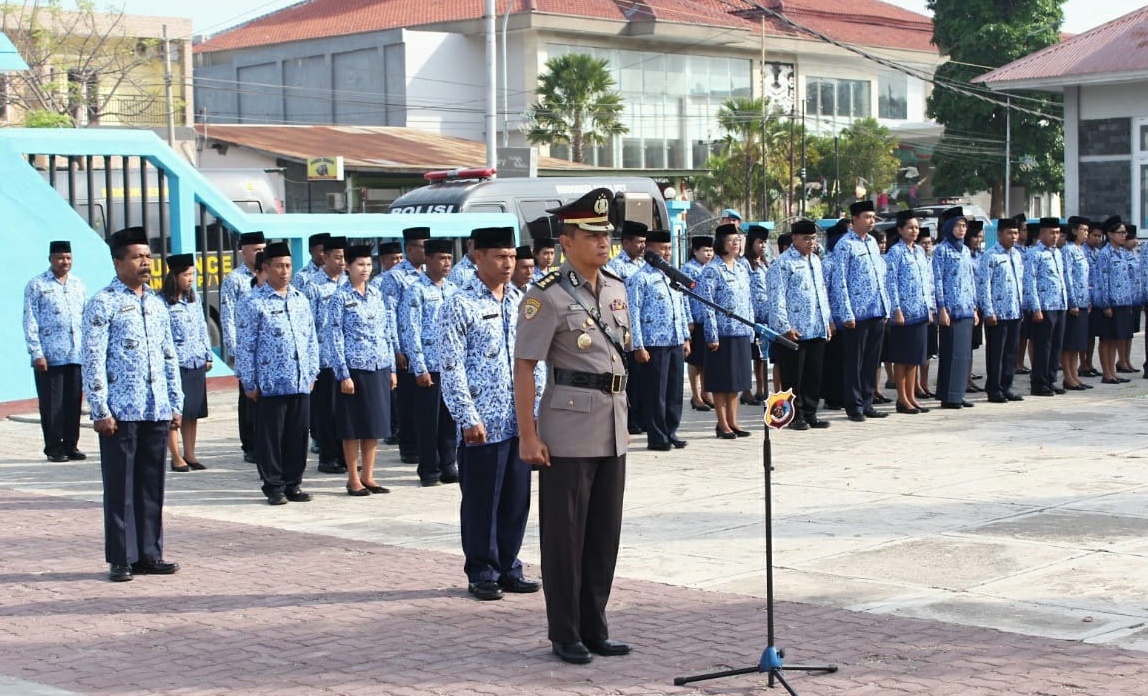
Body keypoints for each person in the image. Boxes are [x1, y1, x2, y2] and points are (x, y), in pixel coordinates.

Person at [514, 187, 632, 665]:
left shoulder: (618, 288)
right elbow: (525, 366)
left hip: (612, 424)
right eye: (591, 234)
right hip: (566, 427)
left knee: (604, 535)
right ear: (567, 241)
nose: (603, 242)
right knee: (565, 537)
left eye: (606, 233)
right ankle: (565, 632)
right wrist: (528, 434)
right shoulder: (546, 295)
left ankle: (594, 626)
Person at [441, 226, 542, 601]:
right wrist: (467, 416)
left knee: (517, 498)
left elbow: (536, 359)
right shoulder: (459, 303)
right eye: (500, 256)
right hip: (482, 421)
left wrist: (536, 409)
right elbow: (450, 367)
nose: (508, 264)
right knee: (483, 499)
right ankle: (482, 570)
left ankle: (509, 565)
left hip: (518, 420)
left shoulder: (522, 302)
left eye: (512, 257)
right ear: (476, 255)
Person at [82, 227, 183, 582]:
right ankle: (121, 557)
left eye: (148, 256)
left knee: (151, 484)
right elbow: (92, 359)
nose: (146, 262)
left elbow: (169, 355)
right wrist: (100, 408)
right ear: (118, 261)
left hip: (155, 408)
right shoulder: (103, 302)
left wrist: (175, 402)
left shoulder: (156, 304)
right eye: (138, 257)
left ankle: (149, 554)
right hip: (120, 412)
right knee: (120, 487)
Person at [235, 242, 320, 505]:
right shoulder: (252, 302)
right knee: (271, 438)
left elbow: (310, 338)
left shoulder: (299, 299)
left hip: (299, 380)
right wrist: (248, 380)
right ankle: (273, 485)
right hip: (270, 382)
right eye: (278, 266)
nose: (284, 271)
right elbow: (246, 344)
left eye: (287, 266)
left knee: (297, 435)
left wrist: (312, 372)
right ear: (266, 268)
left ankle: (293, 483)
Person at [325, 244, 397, 496]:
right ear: (347, 267)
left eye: (368, 264)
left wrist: (391, 369)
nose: (365, 269)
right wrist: (343, 373)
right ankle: (353, 478)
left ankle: (369, 476)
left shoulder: (377, 294)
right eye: (360, 265)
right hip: (354, 369)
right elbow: (334, 337)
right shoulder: (340, 297)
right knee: (353, 426)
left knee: (374, 424)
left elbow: (387, 333)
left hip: (378, 365)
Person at [400, 238, 460, 486]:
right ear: (428, 260)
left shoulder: (453, 289)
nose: (446, 263)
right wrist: (419, 367)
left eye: (449, 258)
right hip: (428, 367)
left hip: (450, 366)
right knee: (428, 422)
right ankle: (429, 469)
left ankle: (448, 465)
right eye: (441, 258)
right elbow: (410, 330)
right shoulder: (416, 290)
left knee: (449, 420)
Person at [626, 229, 691, 450]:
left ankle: (671, 431)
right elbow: (632, 313)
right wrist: (638, 345)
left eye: (669, 248)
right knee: (656, 393)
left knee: (674, 391)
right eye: (662, 248)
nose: (667, 252)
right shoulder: (639, 278)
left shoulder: (672, 276)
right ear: (649, 250)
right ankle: (657, 436)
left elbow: (681, 307)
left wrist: (685, 337)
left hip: (674, 340)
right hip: (653, 344)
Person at [24, 240, 87, 463]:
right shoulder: (37, 285)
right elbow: (30, 320)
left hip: (76, 353)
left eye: (69, 258)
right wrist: (36, 353)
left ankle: (71, 445)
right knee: (52, 404)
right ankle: (53, 447)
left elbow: (85, 318)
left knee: (73, 401)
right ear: (51, 259)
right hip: (49, 356)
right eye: (60, 258)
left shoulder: (78, 284)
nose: (65, 262)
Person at [827, 201, 891, 422]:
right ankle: (853, 406)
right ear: (854, 219)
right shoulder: (845, 245)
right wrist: (846, 313)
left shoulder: (873, 242)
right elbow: (840, 281)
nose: (871, 221)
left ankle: (867, 401)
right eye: (867, 217)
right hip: (856, 313)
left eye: (873, 217)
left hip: (876, 310)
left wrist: (886, 307)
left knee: (872, 361)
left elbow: (881, 277)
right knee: (854, 362)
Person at [767, 219, 833, 429]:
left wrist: (827, 321)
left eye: (813, 238)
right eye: (806, 239)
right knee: (793, 375)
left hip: (816, 326)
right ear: (794, 238)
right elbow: (776, 298)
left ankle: (810, 412)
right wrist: (784, 327)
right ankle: (793, 415)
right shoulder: (783, 263)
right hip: (794, 329)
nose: (811, 242)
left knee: (814, 373)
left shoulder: (815, 260)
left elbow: (822, 293)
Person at [373, 226, 429, 464]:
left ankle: (427, 445)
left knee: (428, 403)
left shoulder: (428, 274)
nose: (427, 251)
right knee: (408, 401)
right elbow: (389, 313)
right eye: (422, 246)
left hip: (430, 350)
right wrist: (396, 347)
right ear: (410, 249)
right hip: (406, 349)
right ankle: (409, 446)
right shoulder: (394, 276)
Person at [700, 223, 755, 438]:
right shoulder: (713, 270)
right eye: (731, 240)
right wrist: (711, 334)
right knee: (721, 381)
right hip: (722, 334)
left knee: (736, 381)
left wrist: (750, 328)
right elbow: (707, 304)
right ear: (721, 243)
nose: (735, 243)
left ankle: (734, 421)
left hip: (741, 330)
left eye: (738, 240)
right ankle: (721, 423)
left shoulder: (742, 267)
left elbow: (747, 300)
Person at [162, 254, 212, 472]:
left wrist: (207, 354)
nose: (190, 279)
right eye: (186, 274)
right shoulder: (162, 302)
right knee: (175, 412)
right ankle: (175, 456)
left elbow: (202, 327)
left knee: (192, 412)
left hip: (196, 361)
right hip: (176, 364)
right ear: (174, 276)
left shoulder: (194, 299)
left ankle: (190, 453)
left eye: (192, 274)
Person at [220, 231, 266, 463]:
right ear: (243, 252)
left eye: (262, 248)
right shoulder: (234, 279)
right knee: (247, 398)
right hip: (246, 348)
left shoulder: (268, 274)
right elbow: (227, 315)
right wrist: (235, 350)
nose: (260, 253)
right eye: (256, 249)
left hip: (267, 349)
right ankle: (250, 444)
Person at [303, 235, 348, 474]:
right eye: (337, 257)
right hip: (324, 358)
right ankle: (328, 456)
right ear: (326, 257)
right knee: (326, 411)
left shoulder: (348, 284)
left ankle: (345, 456)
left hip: (346, 359)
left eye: (344, 258)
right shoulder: (313, 285)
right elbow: (308, 325)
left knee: (345, 411)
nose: (342, 262)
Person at [884, 211, 933, 414]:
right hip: (904, 313)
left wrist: (929, 307)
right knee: (902, 357)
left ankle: (912, 395)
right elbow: (891, 282)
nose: (914, 231)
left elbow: (927, 281)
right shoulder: (895, 253)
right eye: (910, 228)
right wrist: (896, 309)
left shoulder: (920, 252)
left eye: (916, 227)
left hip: (920, 310)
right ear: (900, 230)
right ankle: (902, 398)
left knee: (915, 357)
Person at [932, 207, 979, 409]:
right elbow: (938, 280)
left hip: (966, 308)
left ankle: (958, 393)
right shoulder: (942, 250)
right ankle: (948, 395)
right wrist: (941, 308)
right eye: (958, 226)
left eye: (964, 226)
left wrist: (975, 307)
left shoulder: (966, 250)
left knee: (963, 354)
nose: (961, 230)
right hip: (950, 309)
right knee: (950, 353)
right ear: (949, 227)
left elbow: (970, 279)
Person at [977, 218, 1026, 403]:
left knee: (1011, 352)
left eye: (1016, 233)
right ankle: (994, 388)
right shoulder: (991, 256)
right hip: (997, 313)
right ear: (999, 234)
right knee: (996, 353)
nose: (1014, 237)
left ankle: (1007, 386)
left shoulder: (1016, 255)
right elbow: (984, 285)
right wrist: (988, 311)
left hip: (1014, 311)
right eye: (1009, 233)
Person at [607, 220, 648, 435]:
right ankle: (629, 420)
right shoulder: (615, 266)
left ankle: (642, 417)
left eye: (644, 242)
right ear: (625, 243)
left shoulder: (644, 265)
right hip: (622, 329)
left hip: (642, 329)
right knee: (628, 378)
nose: (642, 246)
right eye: (638, 242)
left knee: (642, 379)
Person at [1024, 217, 1069, 396]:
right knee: (1044, 345)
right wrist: (1035, 307)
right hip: (1044, 306)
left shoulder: (1057, 252)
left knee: (1056, 345)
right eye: (1052, 233)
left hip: (1059, 304)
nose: (1055, 236)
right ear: (1042, 233)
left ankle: (1050, 380)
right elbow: (1029, 281)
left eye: (1057, 233)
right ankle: (1039, 382)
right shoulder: (1034, 253)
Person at [1092, 216, 1136, 384]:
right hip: (1110, 303)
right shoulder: (1105, 254)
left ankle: (1113, 371)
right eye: (1120, 233)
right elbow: (1102, 281)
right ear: (1110, 234)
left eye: (1125, 233)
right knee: (1107, 338)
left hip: (1123, 302)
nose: (1124, 236)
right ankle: (1107, 373)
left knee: (1116, 338)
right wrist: (1105, 304)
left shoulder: (1123, 254)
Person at [820, 218, 851, 410]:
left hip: (849, 320)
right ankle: (832, 397)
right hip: (834, 320)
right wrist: (829, 319)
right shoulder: (828, 263)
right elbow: (824, 294)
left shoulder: (847, 260)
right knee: (833, 361)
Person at [681, 235, 714, 412]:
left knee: (706, 360)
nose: (708, 254)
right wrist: (688, 320)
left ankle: (706, 393)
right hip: (696, 320)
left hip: (709, 320)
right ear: (695, 251)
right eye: (705, 250)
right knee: (695, 361)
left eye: (711, 250)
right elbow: (684, 296)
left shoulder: (711, 268)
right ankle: (696, 395)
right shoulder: (688, 269)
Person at [1060, 217, 1093, 391]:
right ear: (1074, 231)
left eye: (1088, 230)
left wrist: (1087, 300)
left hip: (1083, 301)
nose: (1086, 233)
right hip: (1073, 303)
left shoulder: (1081, 250)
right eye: (1083, 230)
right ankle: (1068, 377)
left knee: (1078, 343)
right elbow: (1068, 278)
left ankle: (1075, 375)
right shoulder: (1068, 250)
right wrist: (1072, 302)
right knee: (1069, 343)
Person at [744, 224, 770, 405]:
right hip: (750, 317)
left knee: (762, 356)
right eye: (759, 242)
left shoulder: (765, 264)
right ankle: (746, 390)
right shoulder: (744, 264)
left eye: (765, 243)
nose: (763, 246)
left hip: (765, 317)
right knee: (748, 355)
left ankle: (761, 389)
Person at [1118, 225, 1141, 373]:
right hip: (1125, 297)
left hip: (1135, 298)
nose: (1135, 241)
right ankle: (1121, 360)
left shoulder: (1134, 254)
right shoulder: (1122, 255)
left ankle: (1127, 359)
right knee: (1122, 332)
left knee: (1130, 332)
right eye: (1132, 239)